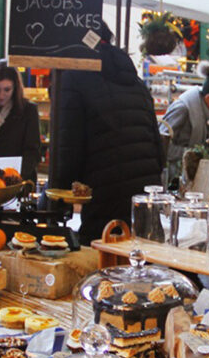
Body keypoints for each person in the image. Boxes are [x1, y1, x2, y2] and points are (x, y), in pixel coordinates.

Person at [52, 21, 164, 244]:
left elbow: (68, 147)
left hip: (105, 195)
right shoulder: (136, 83)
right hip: (145, 196)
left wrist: (56, 201)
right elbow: (159, 151)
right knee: (140, 265)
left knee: (102, 267)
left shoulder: (75, 77)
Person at [161, 64, 209, 184]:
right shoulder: (183, 109)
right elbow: (162, 145)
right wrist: (192, 155)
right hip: (174, 177)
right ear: (208, 98)